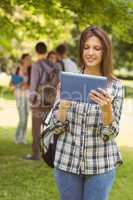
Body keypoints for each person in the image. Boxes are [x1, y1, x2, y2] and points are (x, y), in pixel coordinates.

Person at [51, 26, 124, 200]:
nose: (90, 53)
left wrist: (107, 110)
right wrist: (63, 106)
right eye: (86, 47)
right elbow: (56, 128)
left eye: (97, 48)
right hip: (67, 163)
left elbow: (110, 133)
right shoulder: (69, 80)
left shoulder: (115, 87)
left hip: (100, 166)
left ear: (105, 52)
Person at [24, 42, 60, 160]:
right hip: (51, 100)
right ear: (46, 51)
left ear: (36, 51)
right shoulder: (55, 66)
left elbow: (33, 85)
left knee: (36, 129)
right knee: (50, 128)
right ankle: (51, 154)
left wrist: (31, 99)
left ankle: (36, 154)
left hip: (39, 101)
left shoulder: (36, 65)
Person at [11, 53, 31, 144]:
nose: (28, 60)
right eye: (27, 59)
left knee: (26, 117)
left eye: (29, 59)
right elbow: (12, 84)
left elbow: (33, 83)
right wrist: (20, 84)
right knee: (22, 118)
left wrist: (28, 85)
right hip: (19, 96)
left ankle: (23, 137)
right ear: (22, 59)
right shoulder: (17, 69)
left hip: (27, 97)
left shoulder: (31, 70)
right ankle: (16, 137)